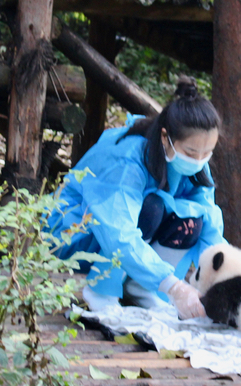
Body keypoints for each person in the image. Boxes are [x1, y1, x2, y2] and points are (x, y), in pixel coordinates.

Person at [47, 76, 225, 319]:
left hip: (127, 244)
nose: (199, 160)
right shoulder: (128, 158)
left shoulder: (195, 164)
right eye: (192, 152)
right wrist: (174, 285)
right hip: (78, 238)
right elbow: (116, 230)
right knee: (151, 208)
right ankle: (102, 291)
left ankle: (143, 288)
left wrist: (228, 278)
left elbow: (210, 226)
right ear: (165, 137)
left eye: (208, 152)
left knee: (193, 220)